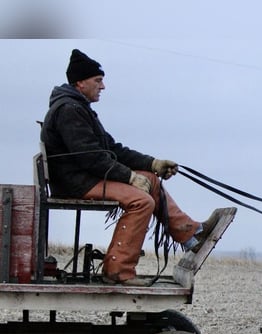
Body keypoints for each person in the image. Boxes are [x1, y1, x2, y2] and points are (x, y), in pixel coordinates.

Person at [41, 49, 222, 286]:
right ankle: (118, 271)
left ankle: (190, 233)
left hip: (84, 176)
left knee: (151, 180)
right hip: (76, 182)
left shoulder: (79, 108)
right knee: (141, 201)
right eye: (98, 80)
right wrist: (129, 177)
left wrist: (152, 164)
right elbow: (92, 158)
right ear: (80, 82)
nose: (103, 86)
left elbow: (113, 150)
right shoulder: (70, 110)